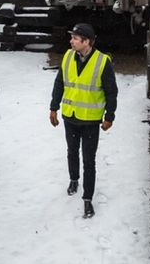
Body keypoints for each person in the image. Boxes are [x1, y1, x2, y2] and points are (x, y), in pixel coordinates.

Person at [49, 22, 117, 218]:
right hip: (70, 116)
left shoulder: (102, 62)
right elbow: (59, 83)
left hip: (90, 121)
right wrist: (53, 107)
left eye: (75, 39)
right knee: (71, 152)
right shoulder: (68, 56)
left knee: (89, 160)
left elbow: (111, 92)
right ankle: (73, 179)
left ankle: (87, 199)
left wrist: (109, 116)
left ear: (86, 42)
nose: (71, 41)